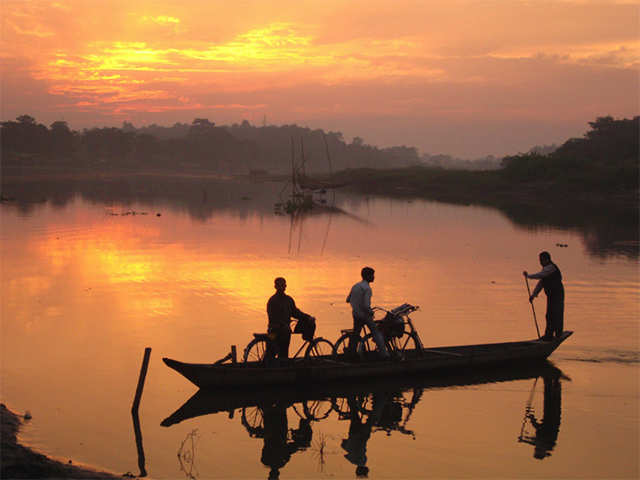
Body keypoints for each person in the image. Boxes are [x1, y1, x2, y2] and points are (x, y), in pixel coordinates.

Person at [266, 277, 314, 360]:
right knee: (276, 351)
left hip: (279, 330)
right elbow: (272, 317)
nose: (281, 287)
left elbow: (296, 313)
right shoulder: (272, 301)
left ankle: (280, 363)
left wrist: (307, 317)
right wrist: (281, 325)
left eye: (283, 285)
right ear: (275, 287)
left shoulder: (288, 300)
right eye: (279, 285)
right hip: (275, 330)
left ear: (285, 286)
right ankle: (282, 364)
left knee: (275, 350)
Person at [346, 267, 389, 358]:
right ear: (368, 276)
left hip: (356, 314)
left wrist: (356, 303)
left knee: (356, 333)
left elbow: (348, 299)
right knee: (376, 332)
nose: (374, 277)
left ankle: (351, 353)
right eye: (372, 275)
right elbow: (366, 305)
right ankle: (384, 355)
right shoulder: (367, 289)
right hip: (364, 316)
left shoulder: (356, 286)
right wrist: (370, 312)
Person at [523, 251, 565, 341]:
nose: (540, 262)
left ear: (547, 260)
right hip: (551, 295)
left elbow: (540, 275)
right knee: (550, 315)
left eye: (541, 260)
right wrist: (533, 295)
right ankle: (549, 335)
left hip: (557, 294)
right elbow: (541, 283)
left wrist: (528, 276)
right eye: (540, 260)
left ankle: (556, 334)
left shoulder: (551, 268)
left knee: (555, 314)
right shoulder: (546, 269)